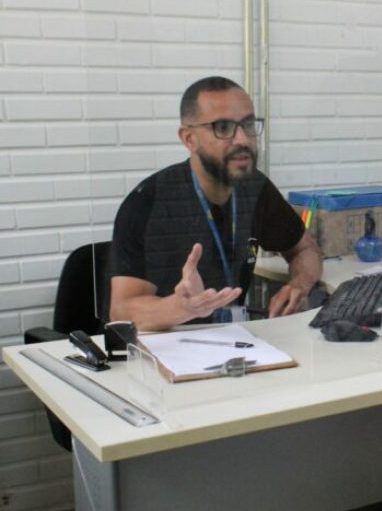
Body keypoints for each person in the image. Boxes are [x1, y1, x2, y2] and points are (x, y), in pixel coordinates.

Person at [109, 76, 322, 331]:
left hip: (233, 343)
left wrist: (298, 284)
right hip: (163, 349)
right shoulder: (149, 202)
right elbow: (121, 311)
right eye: (223, 127)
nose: (242, 139)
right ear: (189, 138)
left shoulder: (255, 189)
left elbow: (305, 250)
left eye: (248, 124)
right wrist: (183, 307)